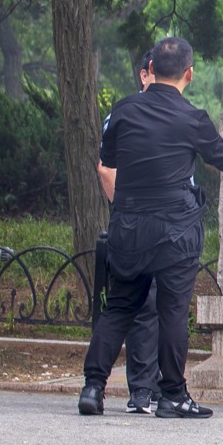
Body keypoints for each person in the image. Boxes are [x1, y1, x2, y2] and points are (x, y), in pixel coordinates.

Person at [78, 36, 223, 419]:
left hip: (128, 228)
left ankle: (93, 388)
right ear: (189, 73)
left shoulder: (124, 111)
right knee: (172, 313)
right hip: (175, 233)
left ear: (151, 70)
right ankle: (173, 395)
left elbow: (109, 160)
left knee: (118, 308)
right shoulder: (192, 118)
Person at [91, 49, 164, 413]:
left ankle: (95, 387)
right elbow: (106, 170)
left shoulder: (121, 113)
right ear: (145, 74)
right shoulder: (173, 115)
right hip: (155, 225)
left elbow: (106, 168)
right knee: (147, 306)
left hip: (131, 221)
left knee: (126, 305)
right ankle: (144, 392)